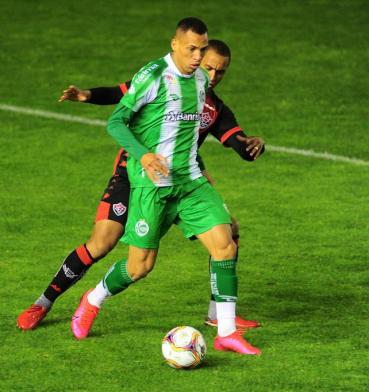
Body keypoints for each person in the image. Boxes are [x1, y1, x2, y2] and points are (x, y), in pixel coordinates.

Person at [17, 39, 264, 332]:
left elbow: (236, 140)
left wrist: (251, 145)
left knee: (228, 234)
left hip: (178, 181)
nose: (212, 76)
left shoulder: (213, 108)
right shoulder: (163, 78)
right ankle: (43, 302)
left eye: (220, 72)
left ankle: (218, 314)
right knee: (102, 242)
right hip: (133, 173)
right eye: (207, 66)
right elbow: (124, 93)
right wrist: (87, 95)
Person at [69, 17, 261, 355]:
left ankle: (226, 332)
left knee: (225, 243)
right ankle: (92, 299)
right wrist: (142, 155)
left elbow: (203, 130)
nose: (199, 57)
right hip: (152, 186)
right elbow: (116, 121)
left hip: (189, 183)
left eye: (202, 50)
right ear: (174, 44)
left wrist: (242, 146)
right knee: (139, 267)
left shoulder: (201, 80)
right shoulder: (153, 76)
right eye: (192, 49)